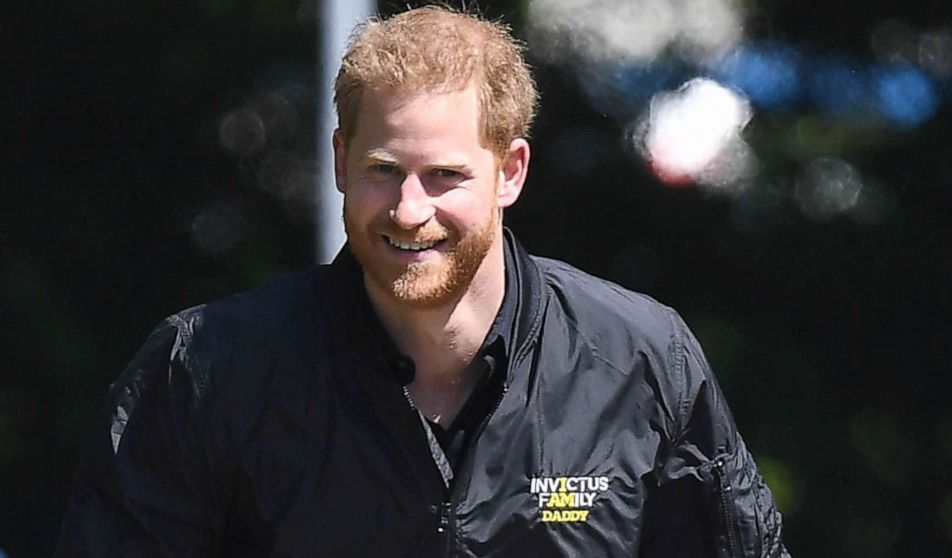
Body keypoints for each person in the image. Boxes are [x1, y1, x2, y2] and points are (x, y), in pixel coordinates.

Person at [56, 6, 789, 557]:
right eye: (383, 172)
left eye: (445, 176)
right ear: (340, 162)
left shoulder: (641, 360)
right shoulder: (208, 370)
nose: (411, 211)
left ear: (511, 172)